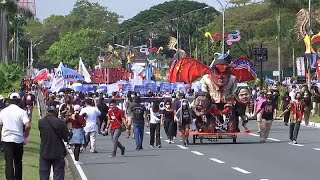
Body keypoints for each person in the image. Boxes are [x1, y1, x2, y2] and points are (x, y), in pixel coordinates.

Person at [0, 93, 31, 180]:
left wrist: (1, 135)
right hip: (18, 139)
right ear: (19, 101)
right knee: (18, 162)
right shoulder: (22, 112)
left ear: (9, 101)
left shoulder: (3, 111)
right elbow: (27, 125)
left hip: (7, 139)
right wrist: (26, 136)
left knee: (8, 162)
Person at [38, 105, 69, 180]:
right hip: (58, 151)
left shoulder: (41, 122)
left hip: (45, 150)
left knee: (44, 174)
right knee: (58, 174)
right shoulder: (60, 122)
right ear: (56, 113)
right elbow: (66, 138)